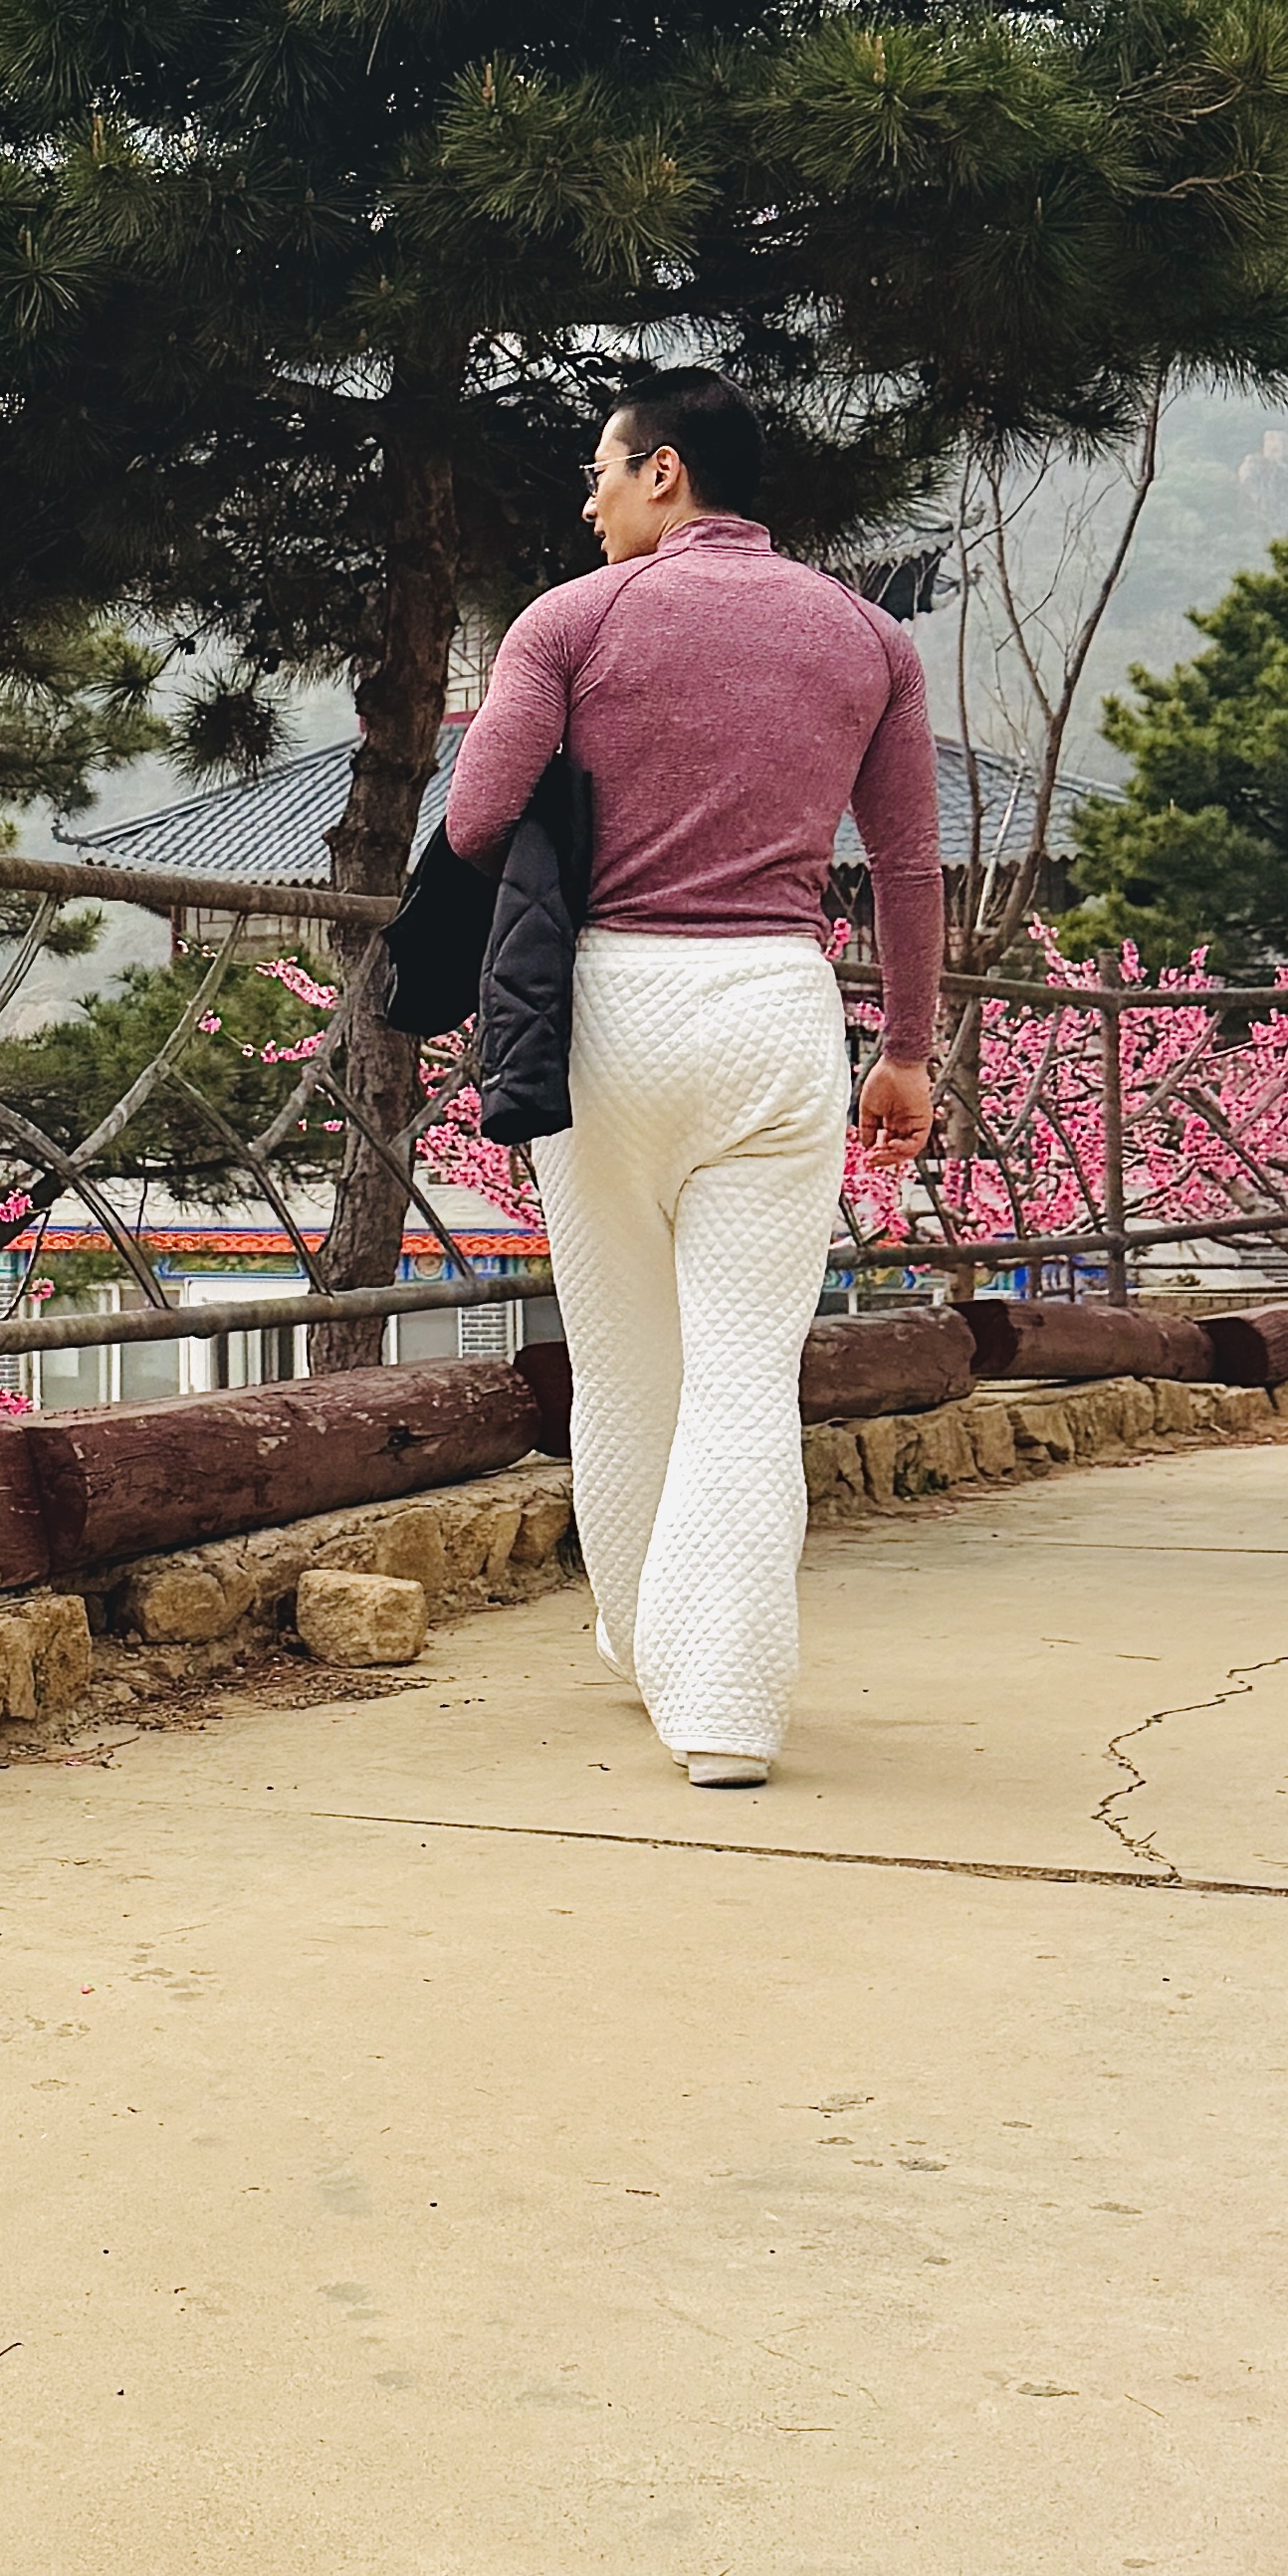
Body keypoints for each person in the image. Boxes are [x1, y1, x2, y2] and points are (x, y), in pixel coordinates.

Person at [441, 367, 940, 1794]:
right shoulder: (867, 638)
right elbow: (906, 861)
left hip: (605, 1016)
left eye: (602, 472)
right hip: (777, 1017)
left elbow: (476, 817)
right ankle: (723, 1710)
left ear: (664, 473)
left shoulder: (571, 621)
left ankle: (647, 1644)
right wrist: (904, 1048)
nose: (587, 500)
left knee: (623, 1363)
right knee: (741, 1374)